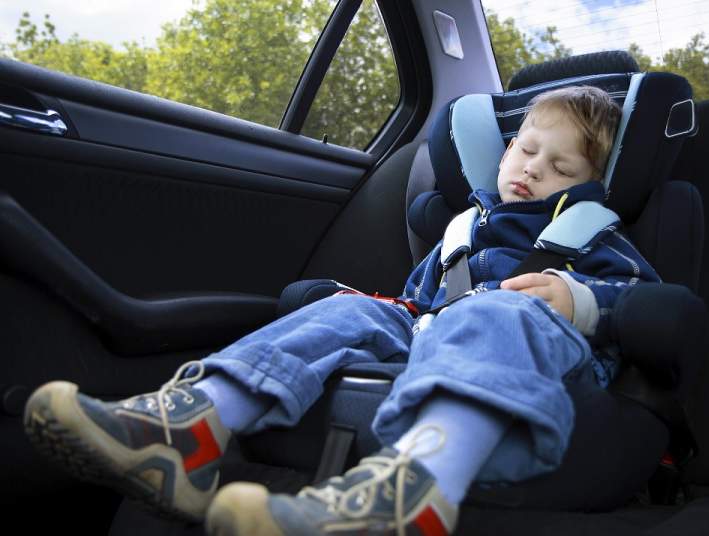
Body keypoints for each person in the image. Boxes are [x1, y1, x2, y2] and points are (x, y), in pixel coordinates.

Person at [24, 85, 660, 536]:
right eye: (525, 149)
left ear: (589, 184)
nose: (533, 169)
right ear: (505, 148)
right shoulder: (461, 231)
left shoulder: (595, 236)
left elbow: (645, 303)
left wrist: (578, 300)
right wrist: (367, 306)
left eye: (559, 166)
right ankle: (190, 428)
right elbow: (416, 305)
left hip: (542, 351)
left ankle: (414, 490)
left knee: (494, 310)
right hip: (442, 330)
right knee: (352, 312)